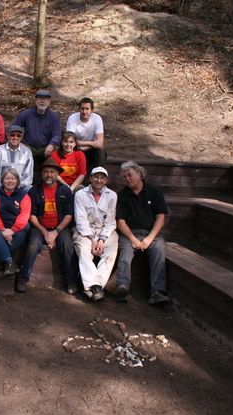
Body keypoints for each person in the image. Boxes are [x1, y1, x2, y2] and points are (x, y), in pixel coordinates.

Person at [16, 158, 78, 294]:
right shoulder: (34, 191)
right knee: (32, 244)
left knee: (68, 245)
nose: (49, 175)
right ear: (42, 174)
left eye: (52, 172)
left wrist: (55, 232)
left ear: (57, 174)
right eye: (46, 172)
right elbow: (31, 216)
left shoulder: (65, 191)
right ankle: (22, 278)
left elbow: (69, 215)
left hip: (60, 228)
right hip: (40, 228)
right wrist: (45, 232)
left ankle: (71, 282)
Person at [115, 161, 170, 305]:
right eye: (124, 177)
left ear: (139, 174)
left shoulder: (154, 191)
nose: (127, 178)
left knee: (159, 249)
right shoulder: (122, 195)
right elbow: (121, 222)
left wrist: (150, 237)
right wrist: (133, 239)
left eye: (130, 175)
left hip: (150, 233)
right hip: (129, 233)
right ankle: (122, 287)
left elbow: (160, 217)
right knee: (125, 252)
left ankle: (157, 291)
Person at [73, 166, 118, 301]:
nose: (99, 180)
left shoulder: (112, 195)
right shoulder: (80, 194)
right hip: (85, 230)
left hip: (105, 230)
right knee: (83, 250)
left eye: (102, 178)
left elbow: (110, 220)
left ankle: (93, 287)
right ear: (90, 178)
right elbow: (80, 219)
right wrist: (93, 239)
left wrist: (101, 240)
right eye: (96, 177)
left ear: (106, 180)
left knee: (111, 251)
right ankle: (96, 287)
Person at [0, 168, 31, 281]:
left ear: (17, 181)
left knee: (23, 233)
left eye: (13, 178)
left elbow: (24, 215)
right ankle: (9, 263)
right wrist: (3, 230)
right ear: (2, 180)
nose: (10, 181)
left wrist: (12, 230)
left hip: (18, 228)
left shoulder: (24, 196)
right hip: (0, 226)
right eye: (7, 178)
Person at [12, 90, 61, 164]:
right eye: (40, 98)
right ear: (35, 100)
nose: (42, 101)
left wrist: (52, 144)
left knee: (56, 154)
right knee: (18, 151)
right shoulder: (26, 114)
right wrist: (18, 141)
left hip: (45, 148)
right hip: (28, 146)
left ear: (49, 101)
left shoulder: (54, 117)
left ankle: (49, 174)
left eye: (45, 99)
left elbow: (56, 134)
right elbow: (14, 128)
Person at [0, 124, 34, 192]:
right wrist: (5, 187)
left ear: (22, 137)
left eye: (18, 136)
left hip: (19, 188)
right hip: (1, 187)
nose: (15, 137)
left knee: (30, 189)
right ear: (7, 135)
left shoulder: (27, 152)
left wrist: (15, 187)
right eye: (12, 135)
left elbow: (28, 176)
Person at [66, 97, 106, 168]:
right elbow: (70, 140)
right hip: (75, 148)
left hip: (89, 149)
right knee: (67, 147)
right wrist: (92, 143)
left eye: (87, 109)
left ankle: (99, 174)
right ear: (79, 109)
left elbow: (100, 143)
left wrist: (84, 148)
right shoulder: (72, 118)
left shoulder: (97, 119)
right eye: (82, 108)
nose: (84, 111)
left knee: (101, 152)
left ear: (92, 110)